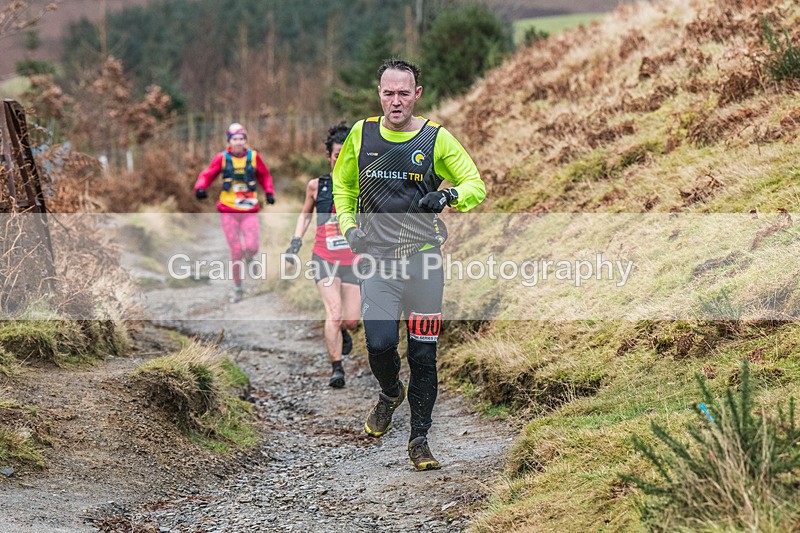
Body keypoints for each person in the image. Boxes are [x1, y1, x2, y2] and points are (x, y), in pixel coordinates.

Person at [332, 58, 486, 471]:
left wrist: (449, 196)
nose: (396, 101)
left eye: (404, 93)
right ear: (379, 94)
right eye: (389, 93)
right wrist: (349, 229)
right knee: (380, 343)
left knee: (423, 355)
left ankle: (420, 440)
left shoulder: (436, 139)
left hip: (423, 265)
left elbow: (475, 184)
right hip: (378, 263)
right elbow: (343, 186)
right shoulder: (362, 135)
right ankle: (389, 391)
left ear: (417, 94)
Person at [284, 122, 360, 388]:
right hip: (324, 258)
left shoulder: (360, 185)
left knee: (351, 321)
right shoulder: (316, 186)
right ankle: (337, 368)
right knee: (334, 312)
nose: (342, 161)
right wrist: (295, 242)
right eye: (337, 156)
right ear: (329, 156)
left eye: (347, 156)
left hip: (353, 261)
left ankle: (342, 331)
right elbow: (305, 215)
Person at [194, 123, 275, 303]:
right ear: (229, 141)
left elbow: (265, 176)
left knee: (252, 246)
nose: (238, 142)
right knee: (236, 250)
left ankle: (250, 257)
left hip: (249, 210)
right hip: (228, 210)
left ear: (245, 140)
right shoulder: (222, 158)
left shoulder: (254, 157)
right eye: (235, 139)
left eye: (241, 139)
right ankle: (238, 288)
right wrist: (200, 187)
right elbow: (208, 174)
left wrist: (269, 192)